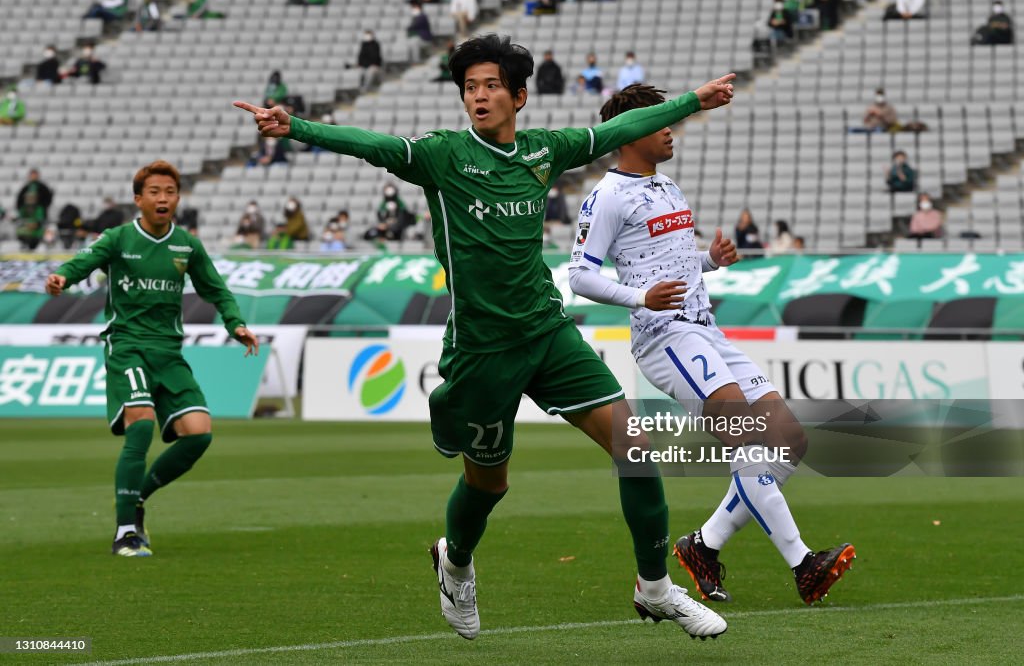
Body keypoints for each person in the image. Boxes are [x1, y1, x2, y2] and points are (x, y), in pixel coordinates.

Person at [235, 33, 735, 641]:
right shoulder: (441, 155)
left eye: (491, 85)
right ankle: (456, 562)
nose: (479, 96)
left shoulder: (543, 151)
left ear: (519, 96)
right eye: (470, 87)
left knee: (634, 447)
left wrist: (692, 101)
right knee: (488, 484)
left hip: (547, 333)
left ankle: (655, 589)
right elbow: (372, 144)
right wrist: (297, 128)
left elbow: (612, 133)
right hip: (482, 350)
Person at [569, 84, 856, 607]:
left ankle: (704, 545)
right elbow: (579, 278)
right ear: (630, 132)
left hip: (706, 328)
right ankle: (803, 562)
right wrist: (640, 298)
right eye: (659, 120)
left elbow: (668, 260)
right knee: (748, 444)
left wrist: (710, 261)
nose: (669, 127)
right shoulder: (606, 196)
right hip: (667, 336)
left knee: (789, 441)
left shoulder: (667, 185)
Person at [44, 160, 259, 557]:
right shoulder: (119, 238)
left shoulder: (187, 245)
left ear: (178, 198)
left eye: (170, 192)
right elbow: (82, 262)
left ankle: (136, 499)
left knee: (199, 433)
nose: (163, 199)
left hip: (168, 350)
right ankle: (125, 531)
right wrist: (63, 277)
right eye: (155, 192)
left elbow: (218, 290)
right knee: (140, 424)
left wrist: (235, 323)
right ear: (138, 199)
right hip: (127, 345)